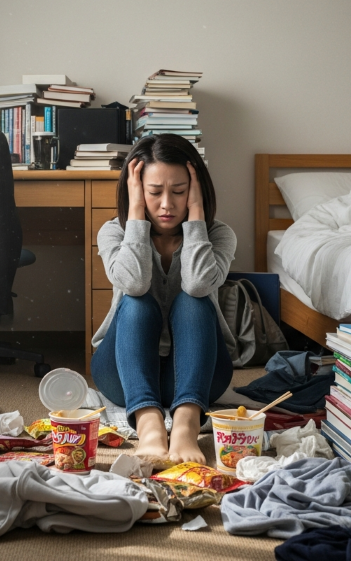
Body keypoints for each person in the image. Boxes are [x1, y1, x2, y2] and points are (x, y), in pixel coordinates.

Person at [90, 133, 236, 464]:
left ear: (195, 190)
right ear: (137, 190)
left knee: (194, 300)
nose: (167, 204)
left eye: (180, 192)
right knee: (136, 301)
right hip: (124, 370)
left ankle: (185, 425)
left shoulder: (218, 235)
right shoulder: (114, 231)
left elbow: (199, 284)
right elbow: (135, 282)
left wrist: (196, 215)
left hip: (199, 372)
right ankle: (149, 424)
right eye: (154, 192)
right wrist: (137, 215)